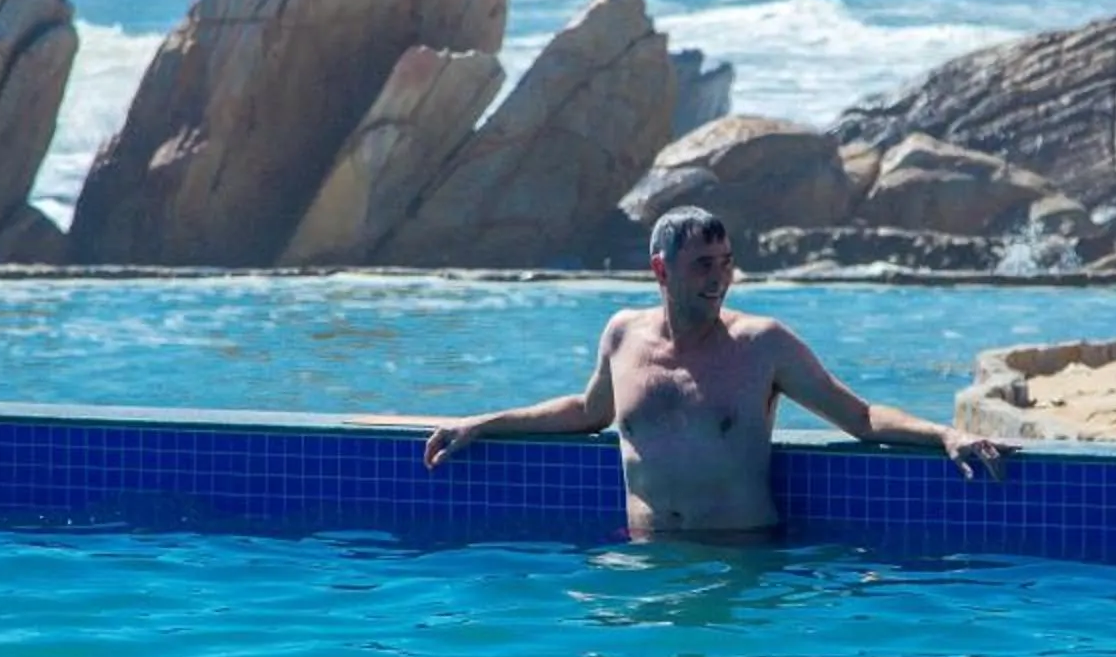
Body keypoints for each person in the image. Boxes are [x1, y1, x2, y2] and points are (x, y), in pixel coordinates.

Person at [423, 205, 1011, 538]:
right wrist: (483, 423)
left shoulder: (762, 344)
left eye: (726, 263)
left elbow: (860, 416)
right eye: (703, 264)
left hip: (739, 565)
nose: (720, 278)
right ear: (661, 269)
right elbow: (587, 412)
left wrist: (946, 434)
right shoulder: (623, 334)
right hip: (647, 563)